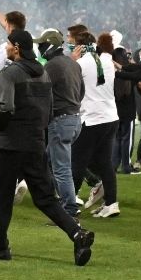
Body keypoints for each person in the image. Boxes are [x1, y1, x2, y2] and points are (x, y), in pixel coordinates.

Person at [0, 29, 94, 265]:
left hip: (10, 144)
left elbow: (6, 108)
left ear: (17, 48)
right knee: (45, 198)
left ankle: (1, 246)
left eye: (9, 44)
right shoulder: (43, 74)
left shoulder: (10, 73)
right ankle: (77, 233)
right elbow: (49, 109)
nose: (6, 47)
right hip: (35, 142)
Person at [69, 29, 120, 219]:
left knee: (77, 162)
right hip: (110, 117)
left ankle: (69, 206)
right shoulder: (107, 60)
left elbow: (70, 84)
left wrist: (72, 61)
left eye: (72, 43)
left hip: (91, 119)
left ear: (80, 47)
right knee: (104, 162)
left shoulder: (80, 64)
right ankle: (111, 203)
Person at [40, 30, 85, 218]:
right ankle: (60, 200)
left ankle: (69, 210)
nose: (40, 49)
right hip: (75, 119)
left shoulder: (51, 66)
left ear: (50, 47)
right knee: (49, 160)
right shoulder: (72, 64)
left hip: (60, 120)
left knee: (61, 168)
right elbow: (81, 92)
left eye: (42, 45)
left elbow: (43, 94)